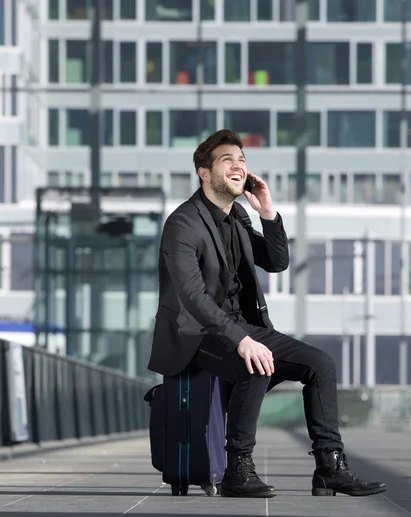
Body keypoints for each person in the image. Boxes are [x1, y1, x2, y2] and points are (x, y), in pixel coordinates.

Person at [148, 129, 386, 499]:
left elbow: (276, 261)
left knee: (320, 364)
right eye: (227, 159)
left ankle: (329, 467)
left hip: (242, 328)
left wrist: (268, 212)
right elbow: (191, 296)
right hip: (195, 335)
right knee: (255, 363)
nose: (238, 166)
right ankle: (237, 469)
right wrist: (241, 340)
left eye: (242, 160)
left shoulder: (239, 215)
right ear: (204, 172)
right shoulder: (183, 223)